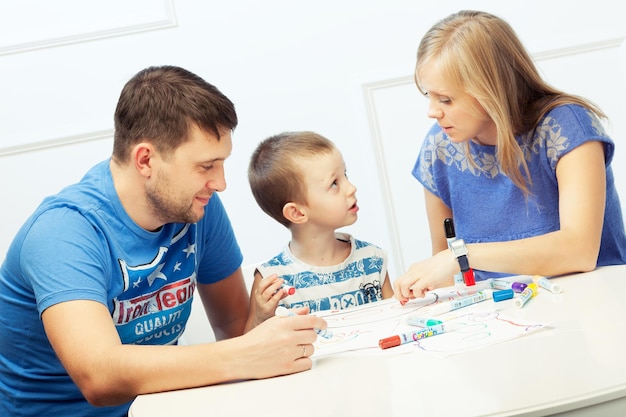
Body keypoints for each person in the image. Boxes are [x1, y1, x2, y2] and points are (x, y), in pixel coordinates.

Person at [0, 66, 327, 417]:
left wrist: (267, 337)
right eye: (206, 166)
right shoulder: (63, 232)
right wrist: (250, 354)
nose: (220, 183)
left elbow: (234, 330)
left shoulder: (198, 208)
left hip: (158, 407)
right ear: (145, 160)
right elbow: (99, 376)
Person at [394, 10, 626, 303]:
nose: (432, 111)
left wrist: (464, 255)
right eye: (428, 95)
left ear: (490, 89)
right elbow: (442, 262)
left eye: (446, 99)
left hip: (590, 305)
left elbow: (579, 251)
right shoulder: (439, 148)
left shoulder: (566, 128)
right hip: (496, 317)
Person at [246, 131, 394, 329]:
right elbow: (251, 348)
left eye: (345, 175)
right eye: (334, 183)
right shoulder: (273, 281)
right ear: (297, 213)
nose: (351, 188)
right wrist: (261, 319)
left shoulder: (372, 260)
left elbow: (396, 323)